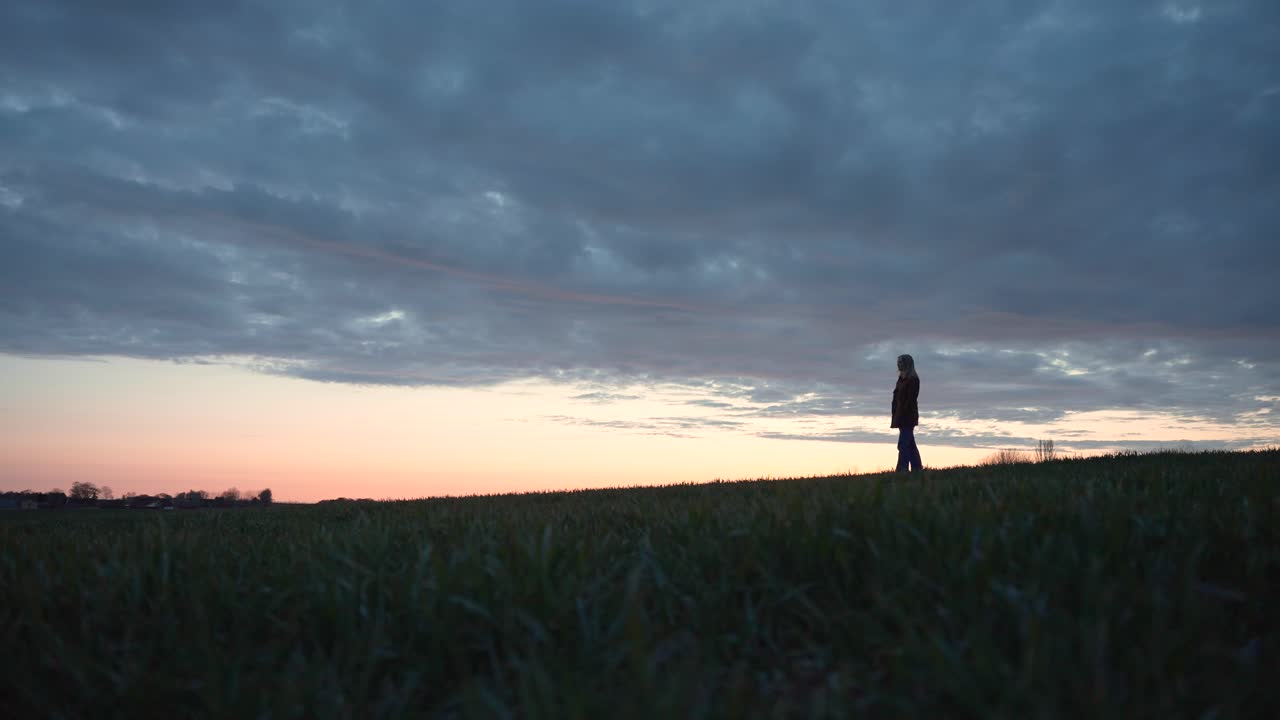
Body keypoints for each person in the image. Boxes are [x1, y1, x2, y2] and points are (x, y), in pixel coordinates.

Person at [892, 354, 923, 473]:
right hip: (900, 416)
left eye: (901, 362)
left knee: (903, 444)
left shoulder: (913, 380)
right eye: (898, 362)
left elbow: (910, 400)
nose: (899, 364)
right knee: (910, 444)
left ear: (907, 364)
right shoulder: (901, 379)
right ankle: (917, 468)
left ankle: (902, 469)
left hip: (907, 417)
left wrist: (902, 414)